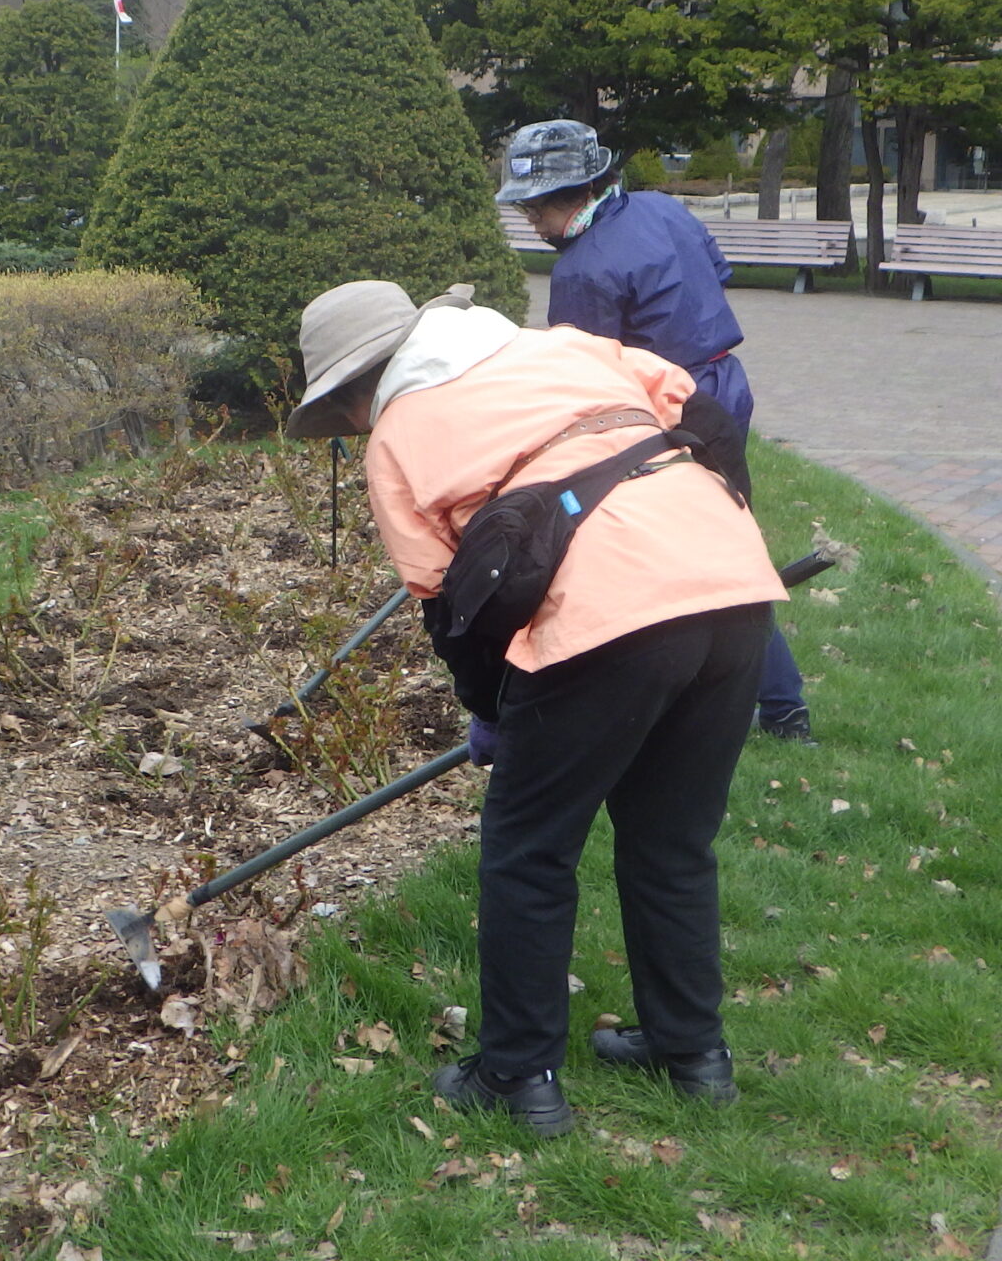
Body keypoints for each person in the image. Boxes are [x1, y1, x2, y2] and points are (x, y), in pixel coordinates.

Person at [287, 278, 785, 1137]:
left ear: (354, 388)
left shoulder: (399, 433)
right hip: (733, 586)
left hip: (609, 614)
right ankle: (692, 1054)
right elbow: (702, 411)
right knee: (672, 840)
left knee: (529, 850)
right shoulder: (559, 346)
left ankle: (517, 1075)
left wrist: (494, 711)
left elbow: (449, 605)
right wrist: (720, 513)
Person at [498, 119, 815, 740]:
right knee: (723, 538)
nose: (531, 222)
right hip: (726, 385)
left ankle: (777, 707)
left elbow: (587, 376)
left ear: (577, 193)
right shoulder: (661, 207)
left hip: (674, 411)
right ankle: (772, 703)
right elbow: (714, 274)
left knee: (709, 555)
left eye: (536, 208)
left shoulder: (582, 271)